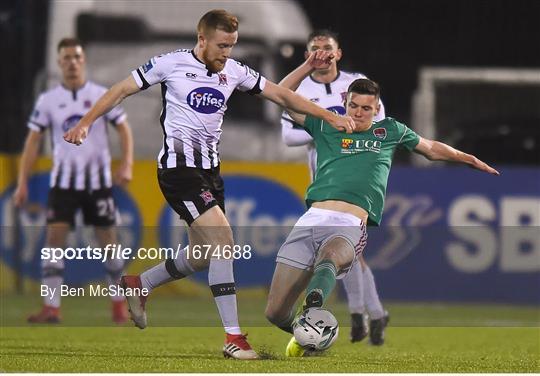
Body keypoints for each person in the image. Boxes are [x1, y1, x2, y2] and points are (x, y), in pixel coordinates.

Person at [63, 10, 355, 360]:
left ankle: (141, 284)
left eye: (231, 45)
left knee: (202, 257)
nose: (227, 52)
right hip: (178, 171)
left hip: (210, 174)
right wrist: (85, 123)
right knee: (224, 240)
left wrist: (329, 115)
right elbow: (120, 90)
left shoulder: (234, 71)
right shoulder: (169, 64)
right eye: (221, 45)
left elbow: (280, 95)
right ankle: (234, 338)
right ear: (201, 39)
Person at [265, 51, 499, 357]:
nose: (360, 113)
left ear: (377, 109)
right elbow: (281, 95)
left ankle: (314, 308)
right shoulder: (326, 125)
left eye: (367, 108)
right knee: (275, 312)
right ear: (345, 103)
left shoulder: (389, 130)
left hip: (350, 224)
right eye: (354, 106)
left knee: (331, 256)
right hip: (311, 218)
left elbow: (430, 148)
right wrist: (308, 66)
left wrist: (466, 158)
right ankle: (315, 332)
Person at [13, 37, 134, 324]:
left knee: (110, 245)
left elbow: (124, 128)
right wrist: (22, 181)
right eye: (66, 58)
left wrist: (127, 163)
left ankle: (119, 305)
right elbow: (33, 141)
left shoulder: (100, 94)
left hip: (98, 184)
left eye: (77, 57)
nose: (72, 63)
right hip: (63, 185)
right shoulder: (48, 100)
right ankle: (51, 308)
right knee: (54, 242)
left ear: (84, 61)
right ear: (59, 63)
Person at [281, 29, 389, 345]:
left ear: (338, 53)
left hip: (357, 181)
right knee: (349, 255)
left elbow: (381, 127)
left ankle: (361, 315)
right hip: (323, 185)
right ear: (307, 56)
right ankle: (373, 313)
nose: (323, 53)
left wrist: (353, 133)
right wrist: (328, 126)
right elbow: (288, 136)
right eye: (316, 49)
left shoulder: (356, 83)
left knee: (351, 252)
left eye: (327, 48)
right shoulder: (300, 88)